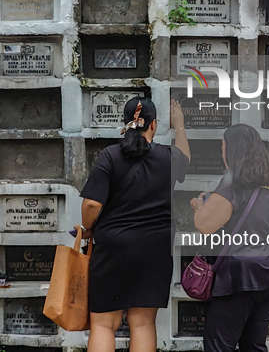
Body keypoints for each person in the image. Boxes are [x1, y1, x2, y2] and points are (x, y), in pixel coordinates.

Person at [77, 97, 190, 352]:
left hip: (114, 248)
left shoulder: (110, 156)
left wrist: (86, 229)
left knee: (104, 324)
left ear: (126, 124)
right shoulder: (168, 158)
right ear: (154, 125)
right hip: (154, 249)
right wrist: (180, 125)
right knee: (142, 323)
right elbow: (186, 158)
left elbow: (92, 204)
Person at [189, 123, 269, 352]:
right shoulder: (268, 181)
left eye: (223, 148)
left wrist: (198, 206)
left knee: (218, 344)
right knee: (253, 345)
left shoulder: (232, 182)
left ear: (232, 151)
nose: (222, 153)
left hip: (243, 275)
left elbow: (204, 225)